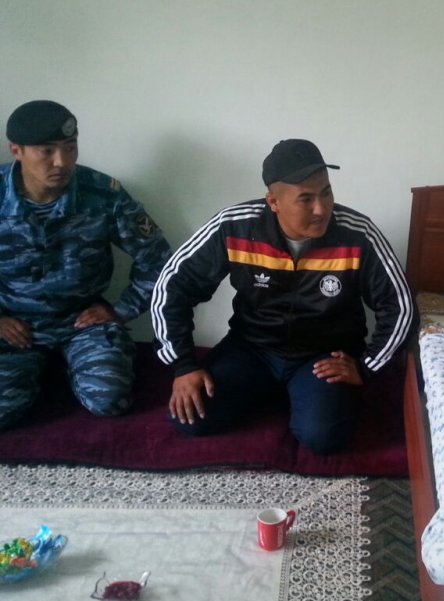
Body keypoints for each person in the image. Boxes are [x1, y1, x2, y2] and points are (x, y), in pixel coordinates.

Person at [151, 138, 416, 454]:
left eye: (326, 193)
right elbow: (172, 286)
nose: (321, 209)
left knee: (324, 437)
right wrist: (183, 365)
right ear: (273, 202)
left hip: (323, 356)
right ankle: (281, 391)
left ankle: (298, 393)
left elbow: (400, 306)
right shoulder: (234, 227)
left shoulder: (358, 234)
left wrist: (366, 366)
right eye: (306, 199)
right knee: (189, 418)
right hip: (252, 348)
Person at [0, 100, 172, 427]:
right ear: (16, 150)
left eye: (70, 147)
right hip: (15, 324)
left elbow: (159, 260)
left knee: (110, 400)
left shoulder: (103, 193)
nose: (61, 162)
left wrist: (121, 310)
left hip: (81, 322)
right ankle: (37, 370)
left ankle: (70, 365)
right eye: (46, 151)